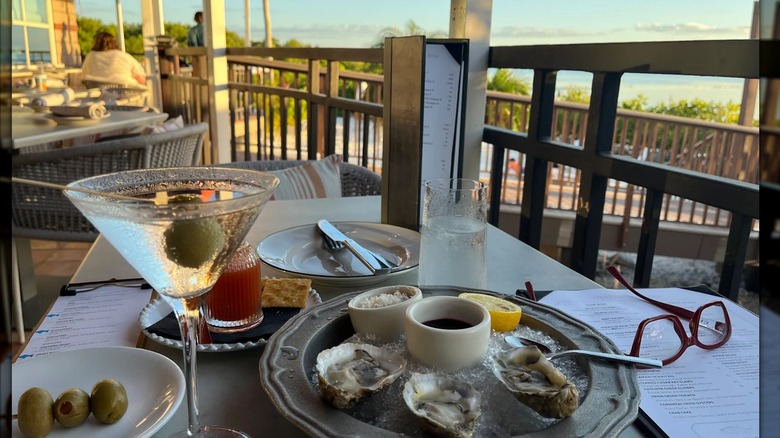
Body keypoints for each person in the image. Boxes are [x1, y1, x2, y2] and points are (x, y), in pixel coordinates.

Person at [80, 32, 146, 87]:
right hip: (126, 91)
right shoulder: (122, 55)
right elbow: (141, 78)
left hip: (97, 93)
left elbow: (83, 75)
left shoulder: (90, 56)